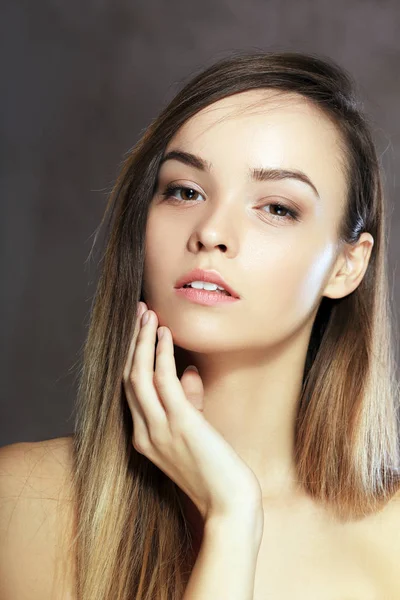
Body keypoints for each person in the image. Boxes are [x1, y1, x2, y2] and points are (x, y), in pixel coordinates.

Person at [1, 50, 400, 600]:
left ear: (345, 265)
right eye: (185, 191)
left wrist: (230, 514)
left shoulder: (391, 539)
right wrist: (232, 519)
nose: (212, 230)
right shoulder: (19, 499)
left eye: (277, 207)